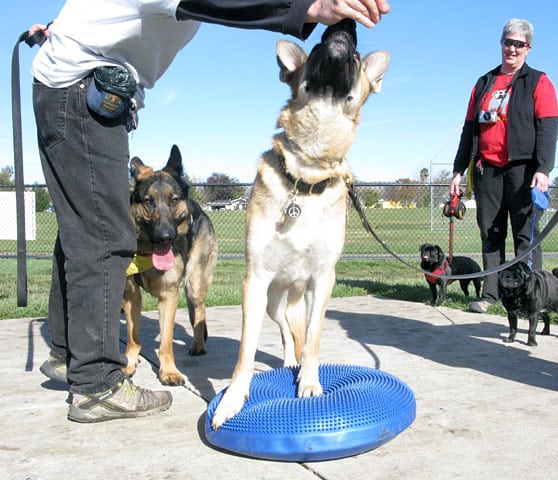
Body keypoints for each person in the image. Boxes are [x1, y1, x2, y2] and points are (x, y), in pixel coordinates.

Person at [31, 0, 391, 423]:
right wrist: (305, 7)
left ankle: (66, 354)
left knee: (83, 227)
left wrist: (70, 26)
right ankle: (95, 385)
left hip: (77, 84)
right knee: (107, 236)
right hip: (80, 93)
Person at [449, 18, 558, 314]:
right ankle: (491, 294)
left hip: (524, 172)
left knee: (525, 236)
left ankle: (529, 297)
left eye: (519, 44)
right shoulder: (483, 82)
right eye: (508, 42)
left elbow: (548, 128)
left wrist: (543, 169)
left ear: (529, 48)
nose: (512, 48)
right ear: (501, 44)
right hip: (488, 171)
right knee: (491, 233)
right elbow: (469, 128)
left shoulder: (539, 81)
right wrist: (459, 170)